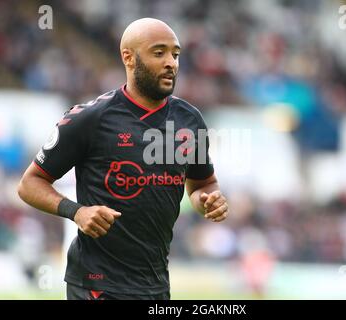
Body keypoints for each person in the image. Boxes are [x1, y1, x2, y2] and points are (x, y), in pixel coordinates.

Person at [17, 18, 229, 300]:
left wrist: (208, 200)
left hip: (155, 285)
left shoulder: (189, 121)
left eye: (175, 54)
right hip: (96, 284)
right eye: (159, 53)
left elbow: (204, 184)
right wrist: (77, 212)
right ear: (129, 58)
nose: (171, 63)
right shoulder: (91, 118)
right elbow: (30, 184)